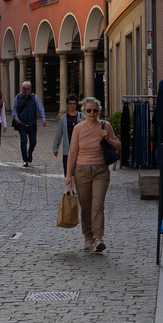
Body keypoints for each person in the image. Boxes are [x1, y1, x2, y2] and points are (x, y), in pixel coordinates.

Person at [65, 98, 122, 253]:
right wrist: (69, 176)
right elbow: (72, 153)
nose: (92, 113)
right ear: (83, 111)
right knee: (86, 207)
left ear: (99, 111)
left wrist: (107, 138)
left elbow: (118, 145)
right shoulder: (78, 129)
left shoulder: (106, 125)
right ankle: (88, 238)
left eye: (95, 110)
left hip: (100, 171)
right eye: (89, 110)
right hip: (82, 171)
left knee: (98, 205)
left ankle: (98, 238)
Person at [12, 81, 46, 167]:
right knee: (23, 141)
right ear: (22, 89)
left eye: (28, 89)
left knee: (33, 142)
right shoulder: (18, 97)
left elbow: (40, 108)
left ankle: (29, 153)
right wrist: (16, 118)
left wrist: (43, 119)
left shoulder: (35, 97)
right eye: (24, 89)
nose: (26, 91)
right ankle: (25, 159)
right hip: (22, 123)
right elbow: (14, 109)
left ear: (30, 89)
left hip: (32, 123)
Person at [50, 95, 82, 175]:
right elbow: (59, 133)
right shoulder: (63, 119)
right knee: (68, 173)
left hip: (79, 150)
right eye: (70, 103)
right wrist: (55, 147)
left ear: (76, 104)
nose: (72, 105)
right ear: (67, 105)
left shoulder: (82, 117)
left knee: (79, 174)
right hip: (67, 151)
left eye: (74, 104)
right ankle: (70, 187)